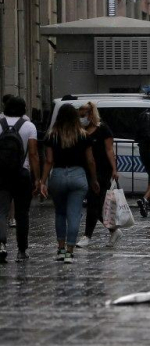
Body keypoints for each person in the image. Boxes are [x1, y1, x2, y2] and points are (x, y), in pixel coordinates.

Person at [39, 104, 99, 263]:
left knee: (60, 213)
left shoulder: (52, 135)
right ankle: (70, 253)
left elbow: (49, 161)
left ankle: (60, 249)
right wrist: (93, 179)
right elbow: (90, 160)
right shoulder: (83, 135)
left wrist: (42, 181)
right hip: (78, 175)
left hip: (58, 175)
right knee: (74, 214)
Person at [76, 102, 121, 248]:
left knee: (93, 203)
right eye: (79, 116)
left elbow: (109, 150)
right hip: (85, 170)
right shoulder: (79, 131)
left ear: (90, 114)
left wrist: (114, 169)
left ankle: (87, 235)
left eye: (83, 115)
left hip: (102, 170)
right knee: (97, 205)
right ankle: (113, 230)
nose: (81, 118)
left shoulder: (103, 129)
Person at [0, 96, 39, 262]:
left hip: (1, 174)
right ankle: (22, 250)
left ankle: (1, 244)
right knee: (22, 213)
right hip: (22, 174)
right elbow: (33, 154)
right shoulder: (29, 126)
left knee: (1, 211)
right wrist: (37, 178)